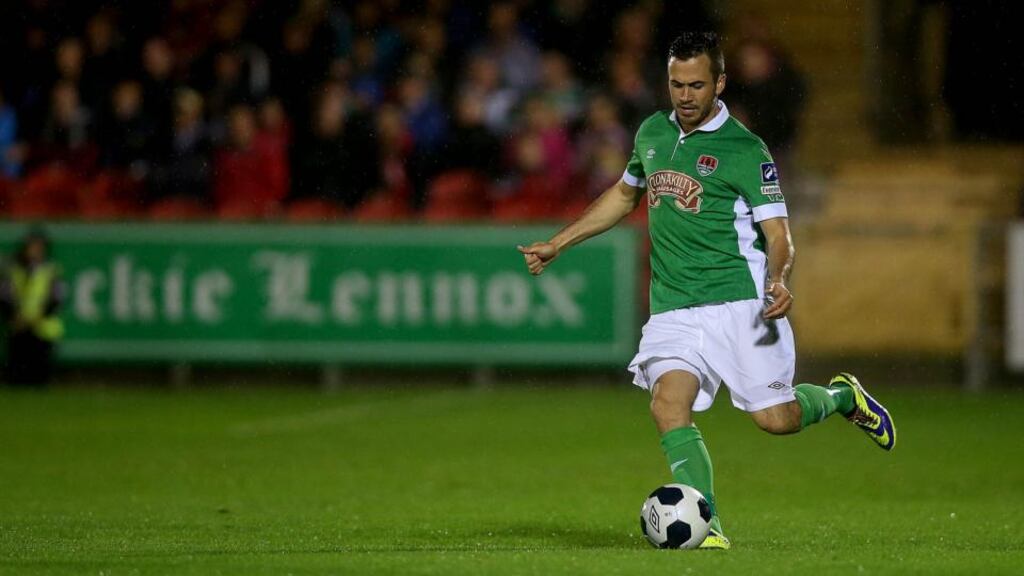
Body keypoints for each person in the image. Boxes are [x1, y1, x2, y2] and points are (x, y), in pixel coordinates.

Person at [517, 32, 896, 550]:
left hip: (741, 303)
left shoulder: (745, 149)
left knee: (776, 419)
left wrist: (778, 278)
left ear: (719, 82)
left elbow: (779, 234)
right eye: (676, 84)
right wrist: (560, 243)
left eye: (697, 84)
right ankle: (707, 521)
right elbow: (624, 195)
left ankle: (840, 396)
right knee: (667, 404)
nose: (686, 95)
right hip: (674, 305)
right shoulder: (652, 132)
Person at [0, 228, 65, 387]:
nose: (35, 250)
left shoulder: (51, 270)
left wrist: (38, 317)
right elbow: (5, 295)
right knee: (17, 377)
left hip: (42, 328)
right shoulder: (13, 270)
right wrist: (14, 316)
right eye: (32, 246)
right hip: (18, 327)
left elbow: (57, 298)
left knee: (39, 377)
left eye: (38, 247)